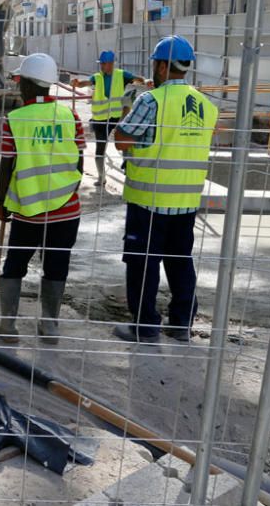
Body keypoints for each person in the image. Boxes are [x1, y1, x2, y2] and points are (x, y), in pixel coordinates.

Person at [112, 35, 217, 344]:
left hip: (149, 199)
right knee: (180, 259)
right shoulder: (205, 104)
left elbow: (121, 139)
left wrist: (125, 111)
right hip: (185, 201)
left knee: (142, 260)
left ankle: (145, 326)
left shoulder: (150, 101)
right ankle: (181, 322)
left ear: (159, 66)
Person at [0, 53, 85, 345]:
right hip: (66, 209)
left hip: (27, 209)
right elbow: (80, 163)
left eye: (21, 81)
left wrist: (1, 202)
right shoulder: (70, 116)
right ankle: (50, 326)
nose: (19, 86)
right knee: (57, 265)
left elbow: (7, 164)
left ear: (30, 85)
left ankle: (8, 325)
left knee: (15, 264)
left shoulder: (15, 119)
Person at [71, 50, 147, 185]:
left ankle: (129, 171)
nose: (101, 66)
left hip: (116, 117)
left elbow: (137, 79)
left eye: (104, 63)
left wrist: (145, 81)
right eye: (101, 64)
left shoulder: (121, 75)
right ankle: (101, 177)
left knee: (124, 144)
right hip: (100, 119)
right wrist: (77, 83)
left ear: (111, 64)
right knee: (100, 149)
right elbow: (86, 83)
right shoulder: (97, 77)